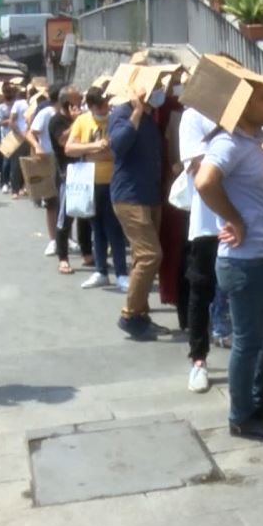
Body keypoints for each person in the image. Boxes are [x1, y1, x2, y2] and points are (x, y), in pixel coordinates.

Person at [195, 67, 263, 441]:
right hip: (244, 262)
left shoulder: (257, 139)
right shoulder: (229, 142)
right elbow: (204, 181)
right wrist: (233, 218)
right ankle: (241, 416)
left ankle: (258, 400)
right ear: (241, 104)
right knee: (248, 341)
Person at [109, 85, 168, 341]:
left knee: (140, 257)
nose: (158, 92)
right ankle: (130, 314)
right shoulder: (122, 113)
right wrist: (134, 111)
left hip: (149, 195)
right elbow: (119, 146)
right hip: (130, 196)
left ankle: (141, 314)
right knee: (149, 256)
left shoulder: (149, 117)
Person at [66, 86, 130, 291]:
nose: (105, 107)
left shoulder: (115, 119)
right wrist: (93, 148)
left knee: (115, 229)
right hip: (89, 182)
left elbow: (118, 151)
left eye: (106, 103)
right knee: (97, 228)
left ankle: (121, 273)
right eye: (100, 105)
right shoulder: (83, 121)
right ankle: (101, 271)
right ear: (91, 106)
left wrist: (94, 152)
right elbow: (69, 148)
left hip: (113, 181)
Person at [179, 106, 225, 393]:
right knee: (202, 289)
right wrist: (225, 129)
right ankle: (198, 359)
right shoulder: (193, 116)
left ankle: (255, 354)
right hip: (208, 222)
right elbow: (197, 165)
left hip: (247, 220)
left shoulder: (247, 111)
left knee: (250, 291)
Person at [49, 86, 93, 275]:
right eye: (76, 100)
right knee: (65, 217)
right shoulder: (56, 120)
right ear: (66, 102)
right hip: (67, 174)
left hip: (84, 170)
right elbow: (62, 141)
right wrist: (76, 123)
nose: (80, 103)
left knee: (85, 214)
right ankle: (63, 257)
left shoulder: (81, 118)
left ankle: (87, 252)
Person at [26, 86, 62, 257]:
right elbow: (30, 133)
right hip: (48, 160)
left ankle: (66, 237)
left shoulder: (71, 113)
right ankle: (53, 239)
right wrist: (38, 146)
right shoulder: (46, 113)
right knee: (51, 201)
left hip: (67, 160)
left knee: (66, 202)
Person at [0, 86, 15, 192]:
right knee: (6, 161)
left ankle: (15, 182)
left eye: (10, 92)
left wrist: (8, 120)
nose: (9, 94)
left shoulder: (16, 105)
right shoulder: (0, 107)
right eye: (7, 92)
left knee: (16, 162)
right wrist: (10, 120)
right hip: (6, 136)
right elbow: (0, 122)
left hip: (18, 135)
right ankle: (4, 182)